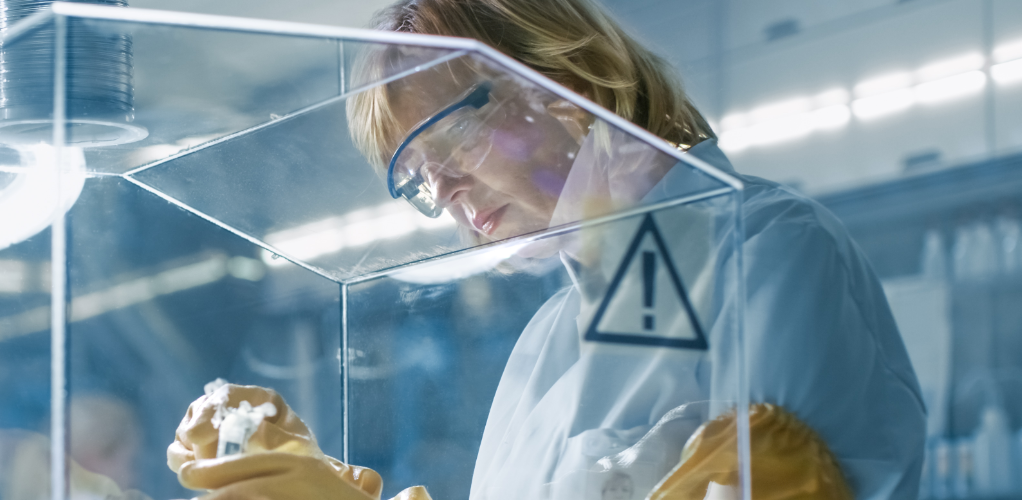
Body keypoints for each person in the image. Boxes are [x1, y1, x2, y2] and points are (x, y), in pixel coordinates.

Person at [165, 0, 926, 499]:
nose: (450, 192)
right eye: (421, 180)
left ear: (560, 84)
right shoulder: (544, 343)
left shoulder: (766, 249)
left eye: (449, 138)